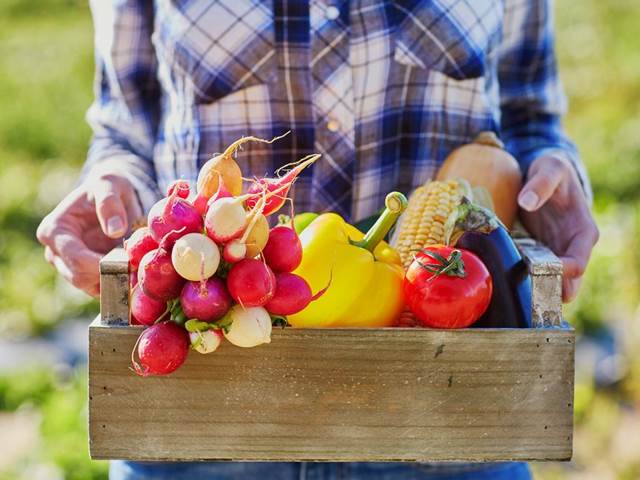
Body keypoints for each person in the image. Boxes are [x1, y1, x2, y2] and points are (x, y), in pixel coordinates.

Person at [37, 1, 598, 479]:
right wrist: (113, 181)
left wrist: (550, 172)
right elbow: (125, 124)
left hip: (447, 407)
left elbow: (527, 115)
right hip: (207, 399)